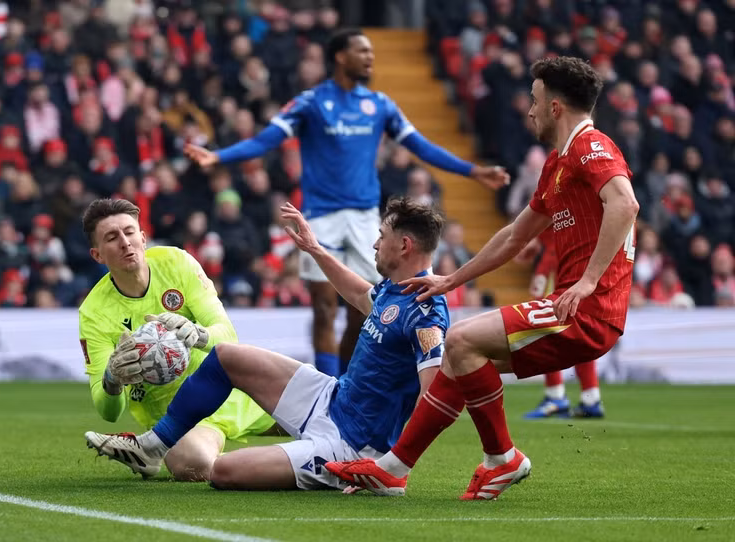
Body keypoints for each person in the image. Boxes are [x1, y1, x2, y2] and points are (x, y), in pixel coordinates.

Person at [326, 56, 638, 500]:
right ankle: (393, 469)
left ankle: (502, 458)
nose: (528, 110)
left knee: (459, 341)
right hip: (579, 303)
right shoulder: (558, 164)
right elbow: (514, 237)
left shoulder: (592, 149)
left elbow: (625, 205)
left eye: (534, 100)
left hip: (587, 305)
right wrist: (449, 281)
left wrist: (587, 283)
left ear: (554, 108)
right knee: (460, 361)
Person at [184, 28, 508, 378]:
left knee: (366, 310)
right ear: (341, 56)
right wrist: (219, 158)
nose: (370, 57)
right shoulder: (311, 103)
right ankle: (325, 389)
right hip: (321, 219)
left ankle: (345, 383)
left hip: (367, 221)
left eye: (371, 51)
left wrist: (473, 171)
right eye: (362, 51)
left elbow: (421, 146)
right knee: (324, 308)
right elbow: (267, 139)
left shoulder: (380, 104)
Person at [83, 197, 449, 491]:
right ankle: (152, 446)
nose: (373, 243)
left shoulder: (426, 311)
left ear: (404, 245)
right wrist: (315, 249)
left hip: (353, 444)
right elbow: (359, 294)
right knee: (227, 356)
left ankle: (337, 468)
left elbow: (436, 397)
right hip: (333, 399)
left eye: (381, 236)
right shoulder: (396, 288)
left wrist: (393, 464)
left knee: (222, 471)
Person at [80, 198, 276, 481]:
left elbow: (228, 335)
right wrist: (112, 378)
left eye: (129, 232)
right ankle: (301, 466)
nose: (125, 242)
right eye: (112, 237)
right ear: (97, 255)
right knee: (193, 465)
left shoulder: (176, 262)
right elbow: (108, 411)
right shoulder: (93, 312)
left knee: (331, 418)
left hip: (232, 391)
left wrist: (198, 334)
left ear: (143, 237)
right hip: (176, 420)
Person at [520, 230, 605, 419]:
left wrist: (533, 236)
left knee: (545, 325)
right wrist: (538, 238)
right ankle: (591, 398)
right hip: (575, 260)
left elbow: (550, 211)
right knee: (579, 327)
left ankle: (555, 397)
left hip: (558, 260)